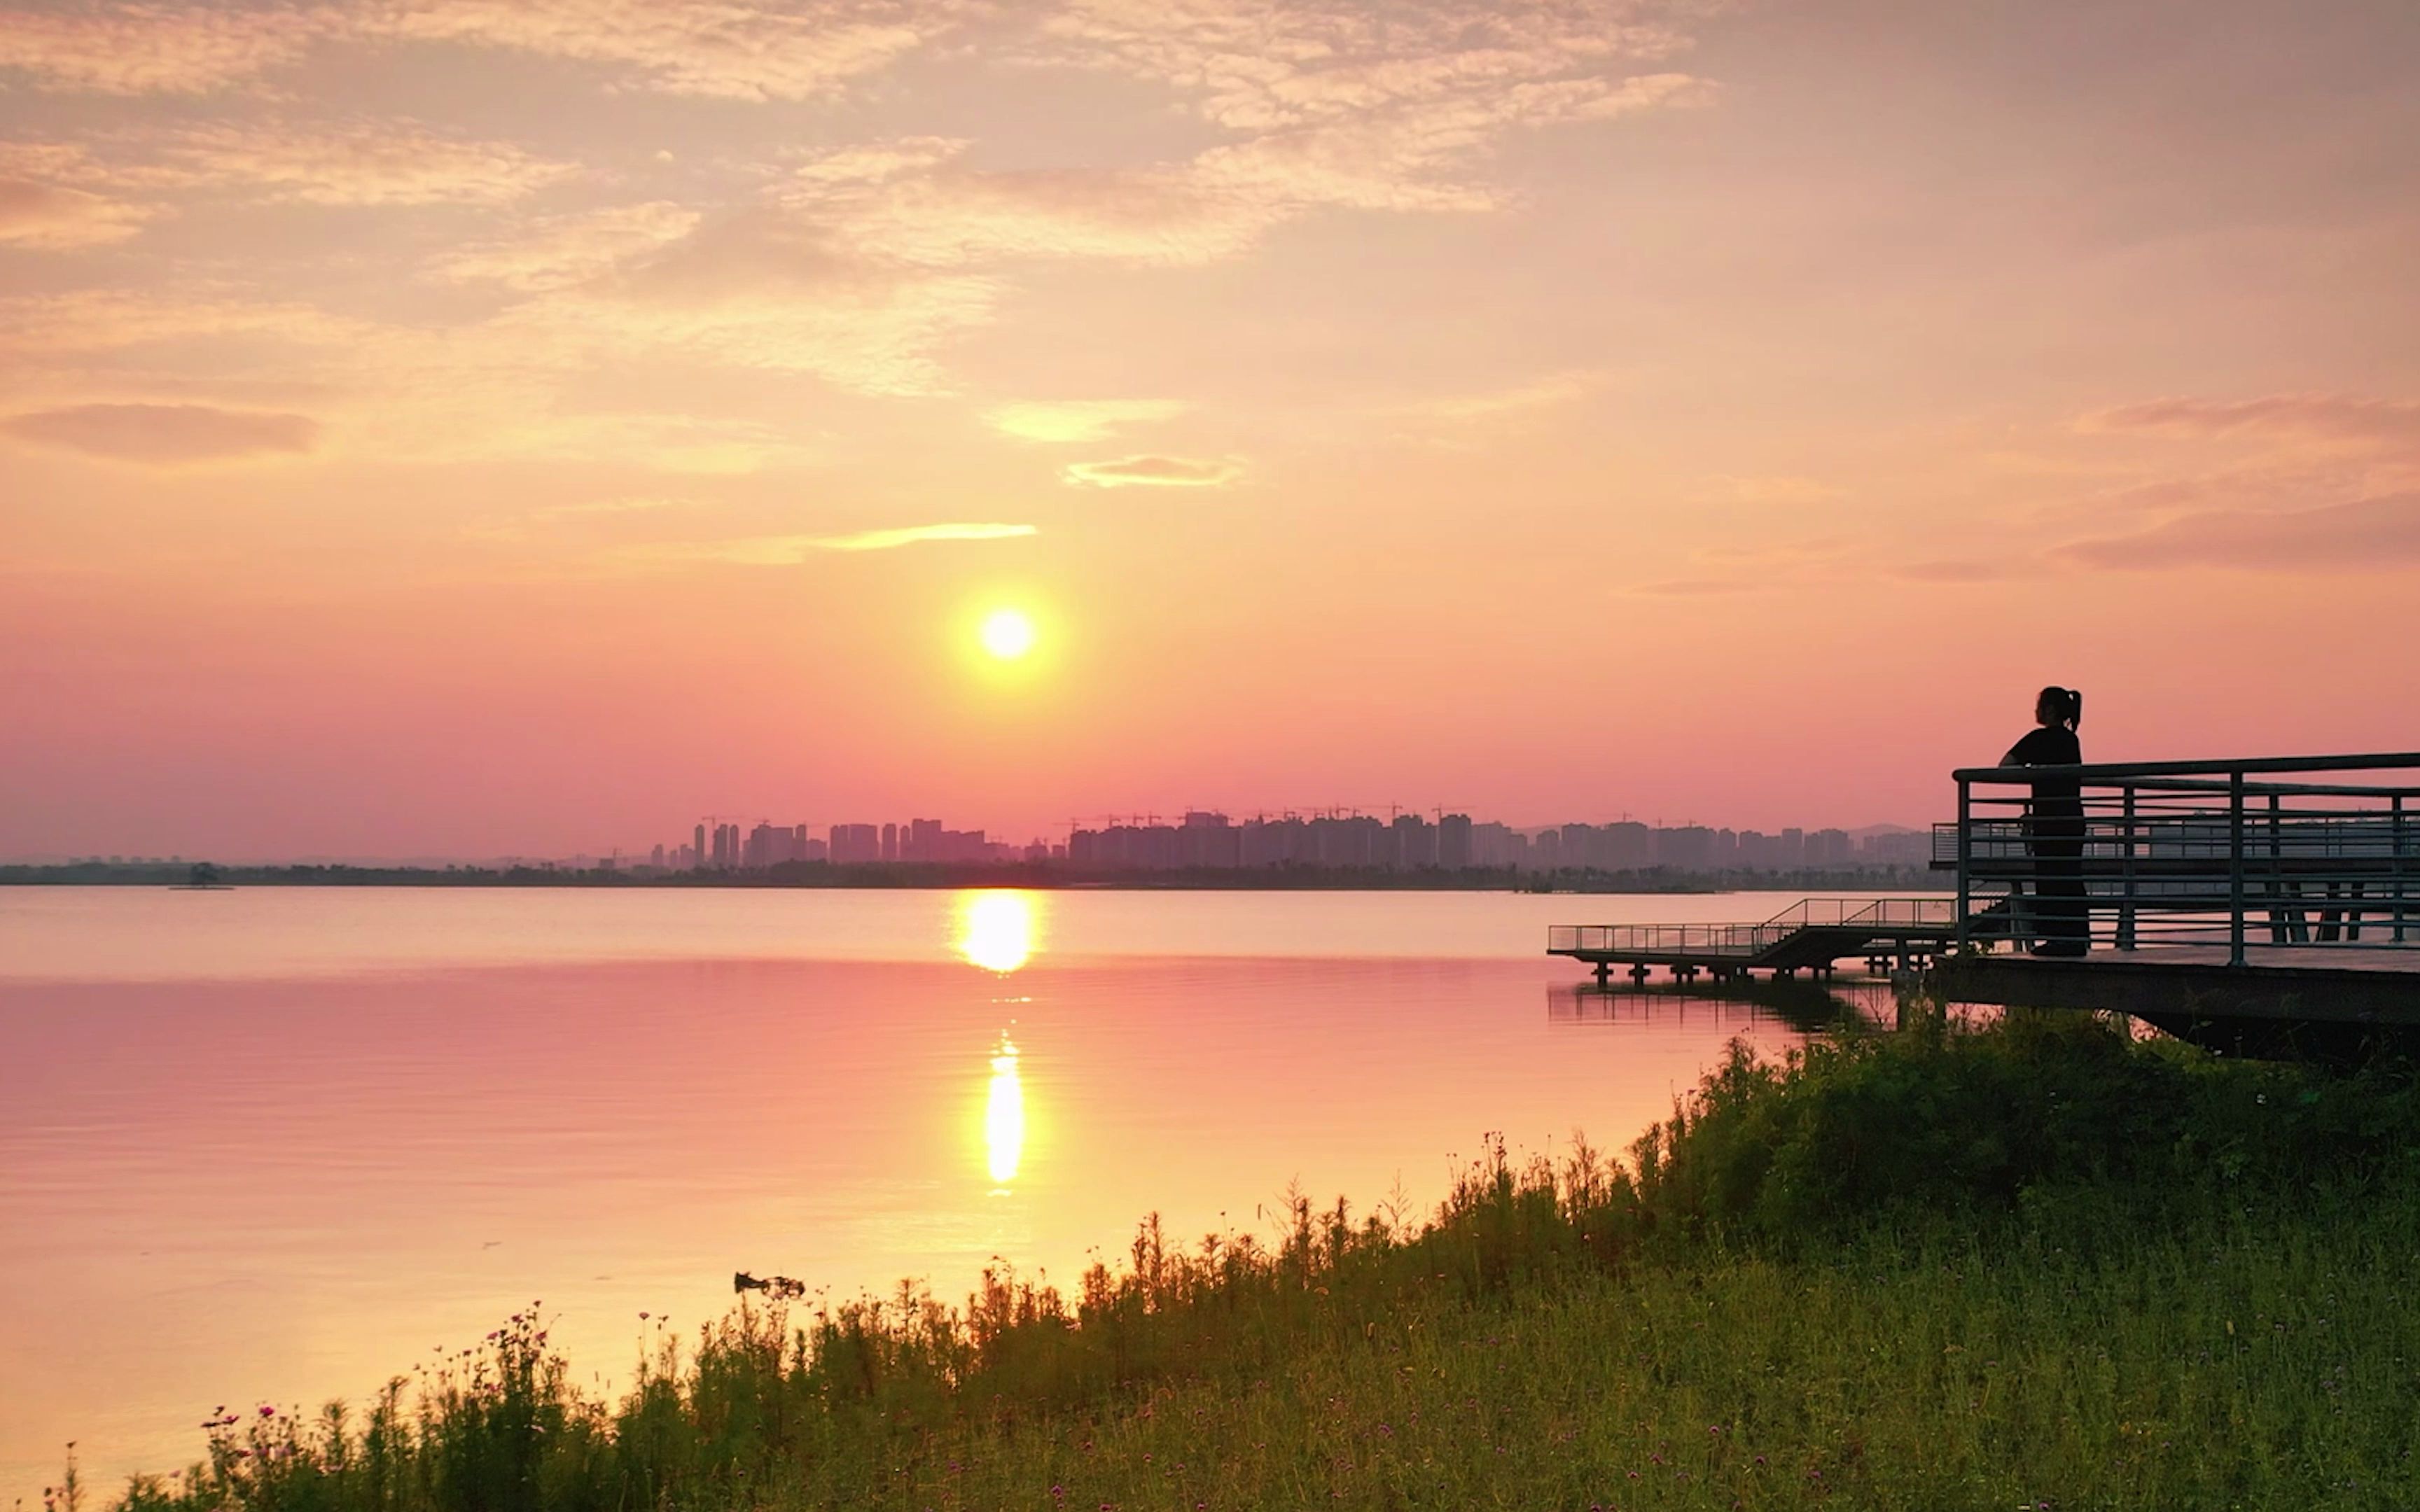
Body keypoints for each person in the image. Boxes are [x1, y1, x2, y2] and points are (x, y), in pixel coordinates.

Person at [2002, 687, 2088, 955]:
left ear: (2049, 710)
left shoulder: (2039, 739)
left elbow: (2004, 768)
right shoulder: (2071, 740)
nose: (2035, 711)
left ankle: (2056, 939)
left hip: (2049, 821)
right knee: (2071, 878)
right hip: (2072, 819)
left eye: (2039, 705)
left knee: (2050, 878)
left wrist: (2031, 772)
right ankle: (2076, 938)